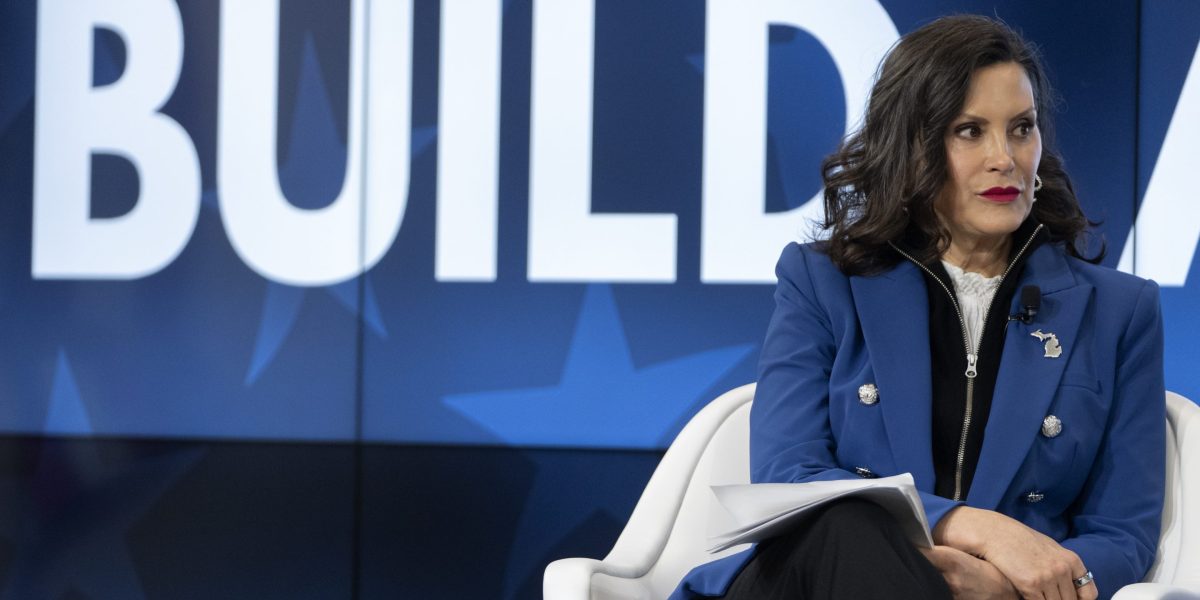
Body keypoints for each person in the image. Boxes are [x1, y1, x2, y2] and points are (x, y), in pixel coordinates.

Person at [670, 14, 1164, 600]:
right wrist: (974, 529)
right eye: (969, 130)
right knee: (845, 520)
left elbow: (1123, 534)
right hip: (809, 583)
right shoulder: (824, 281)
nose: (1005, 158)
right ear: (912, 145)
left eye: (1022, 128)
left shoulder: (1119, 312)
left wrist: (999, 586)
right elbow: (789, 475)